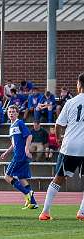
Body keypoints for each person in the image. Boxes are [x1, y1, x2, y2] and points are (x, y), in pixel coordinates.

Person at [39, 73, 84, 221]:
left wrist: (58, 139)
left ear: (79, 85)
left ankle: (45, 212)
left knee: (58, 178)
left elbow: (58, 124)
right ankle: (81, 213)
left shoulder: (71, 102)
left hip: (70, 146)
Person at [0, 105, 38, 209]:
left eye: (13, 112)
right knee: (22, 178)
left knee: (7, 177)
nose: (11, 113)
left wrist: (26, 149)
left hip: (20, 155)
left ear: (17, 113)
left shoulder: (19, 123)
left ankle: (27, 193)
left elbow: (29, 135)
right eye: (9, 112)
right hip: (19, 154)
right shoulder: (11, 126)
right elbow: (14, 143)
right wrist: (6, 152)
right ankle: (33, 203)